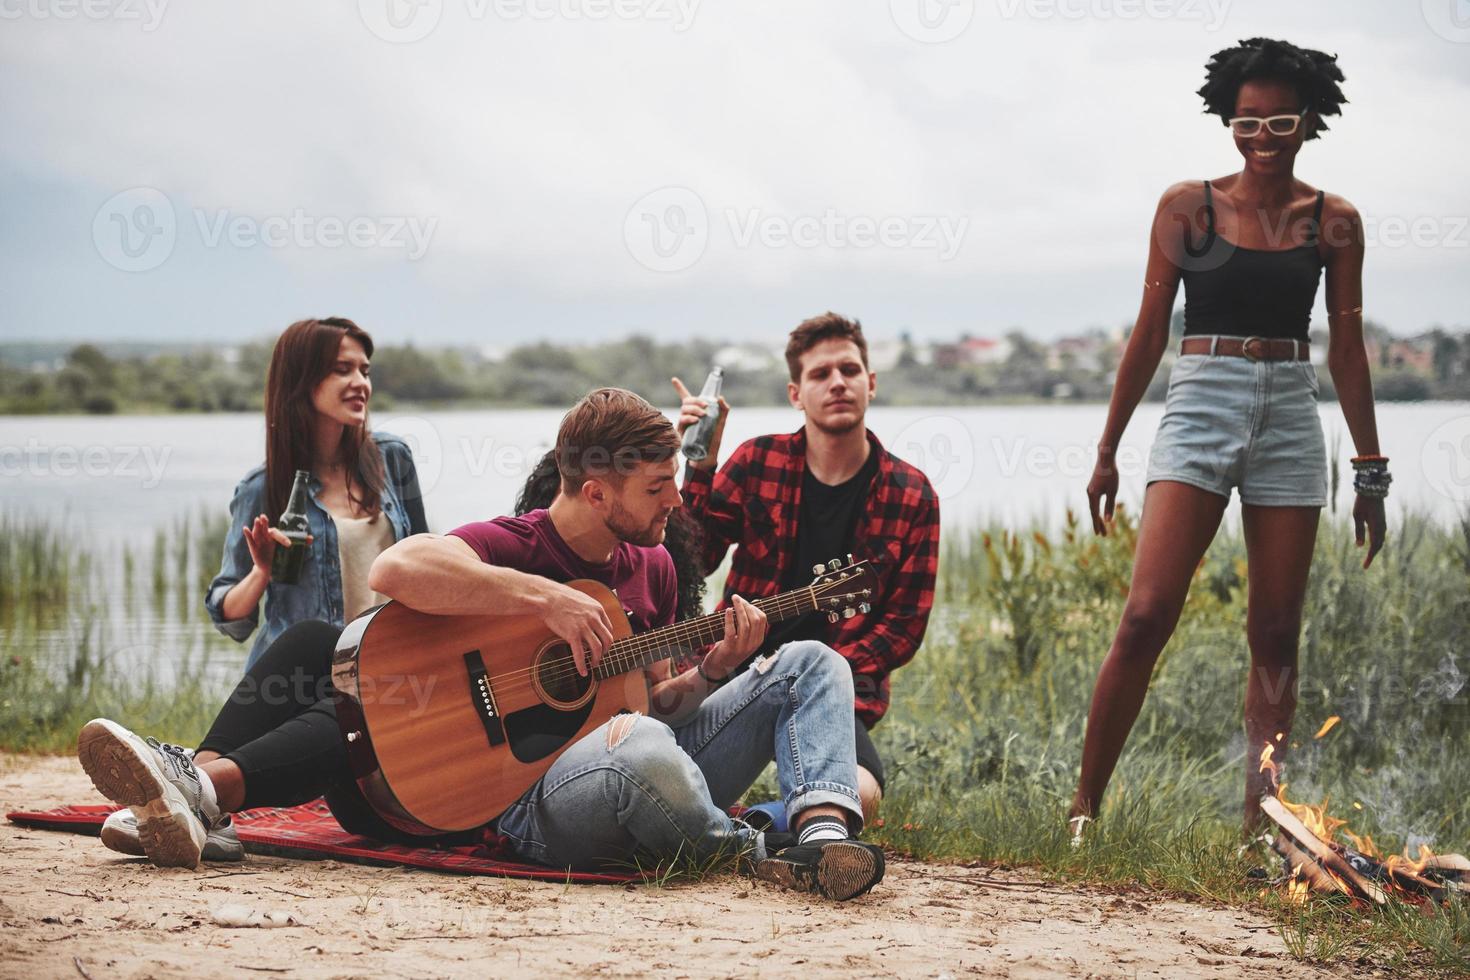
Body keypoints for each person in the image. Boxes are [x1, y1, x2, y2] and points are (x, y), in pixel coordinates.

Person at [78, 389, 886, 901]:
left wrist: (714, 670)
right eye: (657, 488)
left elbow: (661, 701)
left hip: (645, 758)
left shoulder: (657, 566)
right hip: (544, 794)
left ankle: (818, 839)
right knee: (634, 747)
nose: (676, 502)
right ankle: (752, 848)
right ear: (595, 490)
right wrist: (545, 597)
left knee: (809, 662)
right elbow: (399, 566)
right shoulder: (516, 542)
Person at [1069, 38, 1388, 841]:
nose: (1264, 135)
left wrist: (1371, 471)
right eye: (1248, 120)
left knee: (1276, 632)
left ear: (1310, 120)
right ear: (1228, 119)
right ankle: (1082, 813)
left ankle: (1258, 831)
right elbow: (1148, 334)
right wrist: (1107, 449)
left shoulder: (1334, 221)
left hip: (1290, 407)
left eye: (1282, 119)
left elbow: (1347, 352)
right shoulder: (1190, 207)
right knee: (1146, 613)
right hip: (1200, 399)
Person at [100, 317, 429, 861]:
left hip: (390, 664)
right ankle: (200, 799)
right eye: (342, 369)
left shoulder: (393, 461)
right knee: (308, 638)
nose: (361, 383)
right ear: (302, 382)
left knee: (331, 651)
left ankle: (192, 797)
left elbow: (425, 555)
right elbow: (229, 616)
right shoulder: (264, 487)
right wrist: (261, 574)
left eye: (365, 370)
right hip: (312, 672)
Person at [674, 312, 941, 823]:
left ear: (871, 382)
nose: (837, 382)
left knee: (862, 795)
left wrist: (827, 673)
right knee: (672, 771)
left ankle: (752, 823)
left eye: (849, 369)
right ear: (796, 393)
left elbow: (903, 629)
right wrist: (699, 464)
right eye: (821, 374)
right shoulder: (758, 462)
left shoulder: (913, 494)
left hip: (837, 686)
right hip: (735, 673)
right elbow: (693, 564)